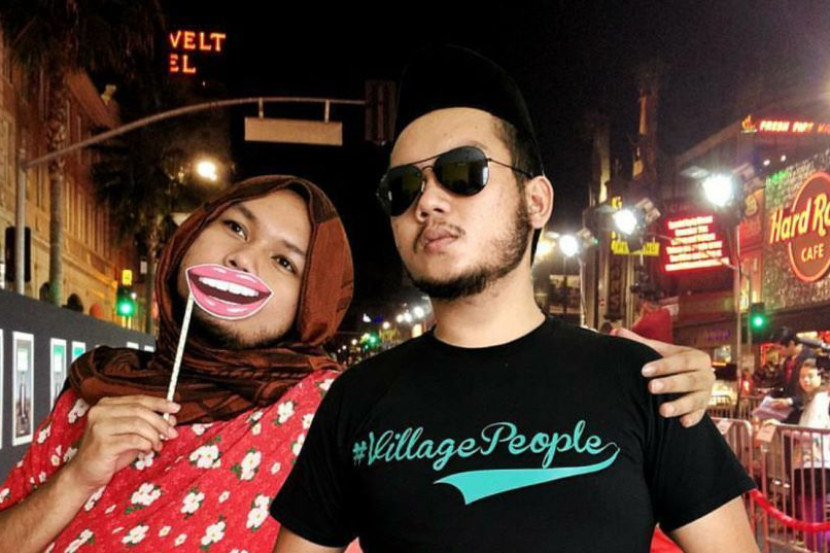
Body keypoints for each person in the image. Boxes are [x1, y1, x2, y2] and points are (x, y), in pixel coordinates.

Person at [270, 46, 757, 552]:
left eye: (463, 172)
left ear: (536, 201)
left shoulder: (647, 383)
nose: (427, 201)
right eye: (402, 187)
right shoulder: (356, 400)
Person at [0, 175, 353, 552]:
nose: (244, 259)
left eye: (284, 262)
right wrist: (76, 478)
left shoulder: (329, 413)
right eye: (235, 228)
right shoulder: (98, 386)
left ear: (310, 303)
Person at [789, 359, 830, 550]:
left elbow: (810, 433)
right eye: (802, 376)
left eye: (810, 376)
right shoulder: (812, 401)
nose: (805, 380)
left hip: (815, 464)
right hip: (807, 464)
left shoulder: (820, 400)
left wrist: (782, 428)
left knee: (813, 519)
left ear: (821, 377)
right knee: (811, 518)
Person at [770, 327, 817, 422]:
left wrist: (790, 401)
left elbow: (811, 389)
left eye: (780, 348)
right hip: (788, 412)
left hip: (804, 411)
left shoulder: (809, 357)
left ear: (791, 344)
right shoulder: (786, 360)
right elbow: (784, 385)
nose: (779, 352)